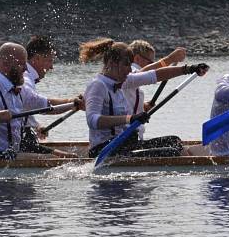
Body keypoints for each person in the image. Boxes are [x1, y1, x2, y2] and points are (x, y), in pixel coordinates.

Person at [80, 38, 208, 158]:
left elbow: (154, 75)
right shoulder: (98, 85)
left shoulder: (123, 81)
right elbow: (93, 120)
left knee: (174, 141)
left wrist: (189, 69)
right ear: (112, 63)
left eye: (130, 64)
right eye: (126, 65)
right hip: (104, 150)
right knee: (171, 152)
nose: (129, 69)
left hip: (124, 145)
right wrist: (130, 119)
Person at [0, 42, 84, 160]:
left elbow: (47, 105)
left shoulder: (19, 89)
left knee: (66, 159)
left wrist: (73, 103)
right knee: (58, 161)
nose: (25, 69)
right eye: (21, 64)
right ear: (5, 64)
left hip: (11, 155)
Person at [19, 36, 77, 158]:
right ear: (37, 58)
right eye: (50, 61)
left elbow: (23, 107)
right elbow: (35, 102)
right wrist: (71, 102)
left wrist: (36, 125)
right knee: (71, 159)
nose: (51, 67)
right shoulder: (24, 77)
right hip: (19, 142)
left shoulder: (27, 76)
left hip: (24, 139)